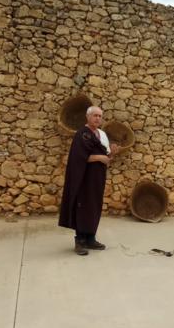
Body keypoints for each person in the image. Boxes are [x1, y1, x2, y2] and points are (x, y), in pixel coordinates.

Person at [58, 106, 117, 256]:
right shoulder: (82, 134)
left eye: (100, 116)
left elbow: (107, 157)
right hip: (84, 177)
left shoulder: (102, 134)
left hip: (97, 178)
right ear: (88, 117)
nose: (97, 118)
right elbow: (78, 158)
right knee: (82, 206)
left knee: (94, 206)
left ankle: (91, 238)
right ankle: (80, 241)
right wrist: (99, 157)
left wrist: (112, 153)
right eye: (95, 115)